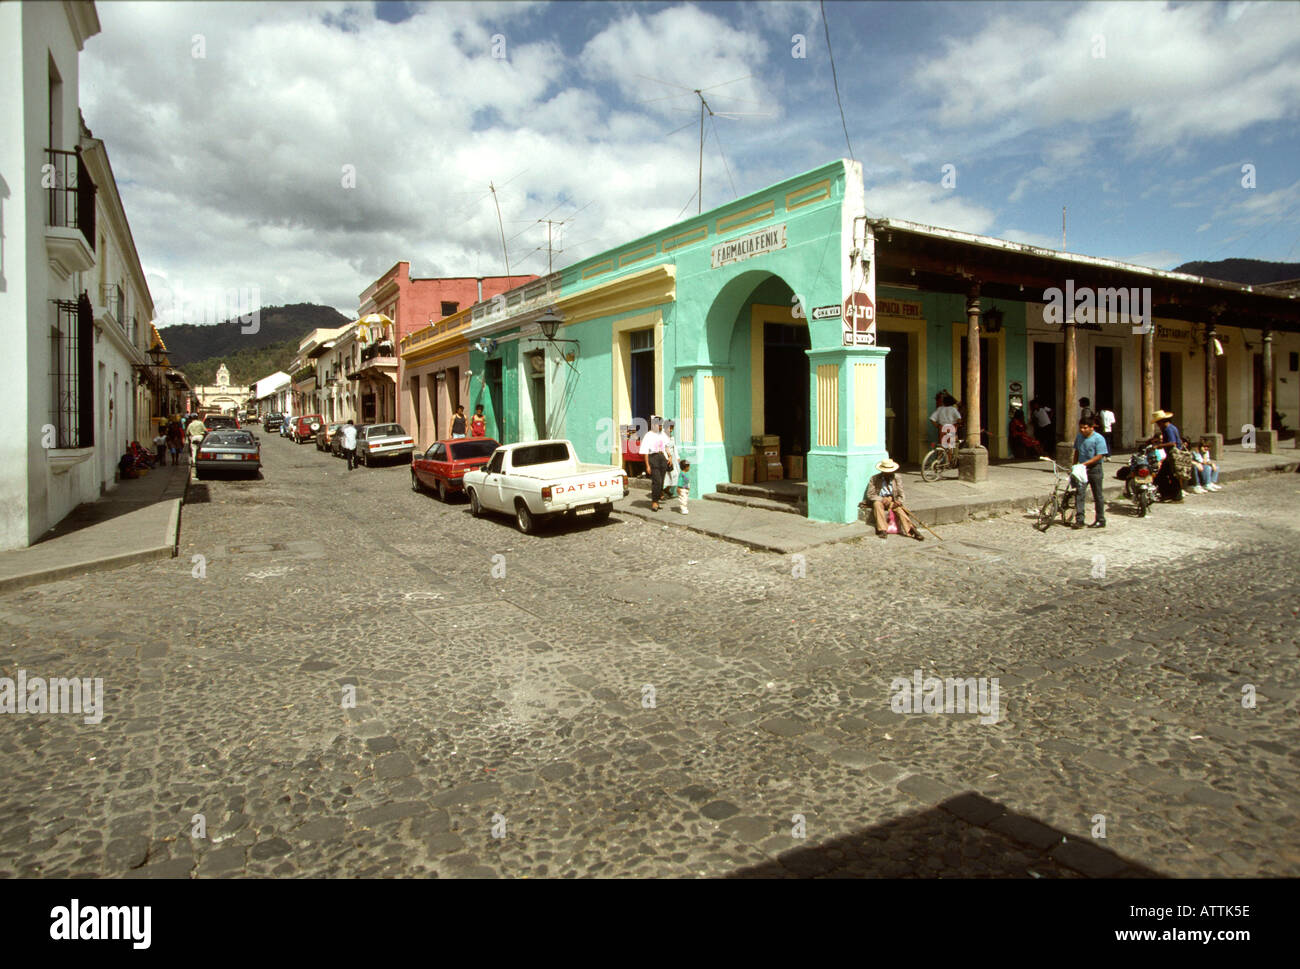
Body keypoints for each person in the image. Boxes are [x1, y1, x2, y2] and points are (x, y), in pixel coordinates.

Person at [862, 459, 923, 541]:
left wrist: (898, 501)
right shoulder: (874, 478)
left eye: (890, 471)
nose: (888, 473)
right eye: (886, 472)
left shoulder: (896, 478)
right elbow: (870, 494)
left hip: (892, 500)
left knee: (899, 510)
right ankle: (882, 530)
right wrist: (881, 499)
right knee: (877, 504)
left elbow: (901, 494)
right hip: (880, 499)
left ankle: (911, 529)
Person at [1071, 415, 1109, 529]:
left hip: (1095, 469)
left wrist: (1085, 464)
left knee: (1098, 495)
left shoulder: (1099, 438)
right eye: (1081, 428)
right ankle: (1080, 520)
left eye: (1085, 428)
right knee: (1080, 494)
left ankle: (1100, 520)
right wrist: (1074, 465)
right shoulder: (1079, 437)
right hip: (1082, 470)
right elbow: (1077, 451)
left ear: (1092, 427)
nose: (1082, 430)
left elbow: (1100, 455)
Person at [1146, 410, 1184, 502]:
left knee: (1163, 476)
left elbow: (1172, 443)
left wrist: (1158, 446)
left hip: (1173, 455)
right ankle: (1172, 495)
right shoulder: (1170, 427)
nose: (1158, 425)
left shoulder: (1168, 429)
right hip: (1171, 455)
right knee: (1170, 476)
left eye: (1158, 423)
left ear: (1161, 422)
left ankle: (1172, 495)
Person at [639, 415, 671, 511]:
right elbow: (645, 452)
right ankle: (654, 502)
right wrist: (647, 465)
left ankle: (657, 500)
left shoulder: (662, 435)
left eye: (661, 425)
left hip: (662, 457)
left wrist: (669, 456)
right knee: (657, 481)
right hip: (653, 457)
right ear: (654, 425)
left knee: (661, 481)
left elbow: (666, 446)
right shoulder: (648, 435)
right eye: (659, 425)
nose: (660, 427)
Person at [929, 393, 962, 459]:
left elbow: (932, 419)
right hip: (951, 427)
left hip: (942, 427)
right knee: (950, 446)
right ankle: (949, 461)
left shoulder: (940, 409)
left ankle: (939, 460)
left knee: (943, 445)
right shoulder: (953, 409)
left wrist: (937, 426)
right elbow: (959, 419)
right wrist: (959, 423)